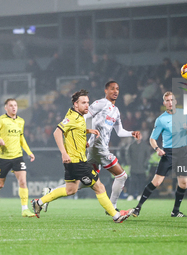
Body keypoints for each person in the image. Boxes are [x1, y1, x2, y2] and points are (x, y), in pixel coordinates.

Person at [31, 89, 130, 223]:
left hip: (73, 161)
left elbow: (75, 131)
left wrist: (87, 132)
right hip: (76, 161)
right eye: (83, 103)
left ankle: (39, 202)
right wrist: (64, 153)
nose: (87, 105)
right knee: (99, 187)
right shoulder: (72, 117)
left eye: (88, 102)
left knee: (70, 190)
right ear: (75, 104)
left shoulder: (79, 117)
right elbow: (57, 132)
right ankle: (116, 215)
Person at [130, 91, 187, 217]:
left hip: (182, 153)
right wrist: (157, 149)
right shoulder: (161, 119)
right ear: (164, 103)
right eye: (167, 101)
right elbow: (152, 139)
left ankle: (175, 211)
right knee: (157, 182)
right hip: (169, 153)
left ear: (175, 101)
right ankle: (138, 207)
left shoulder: (182, 113)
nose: (170, 103)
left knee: (184, 183)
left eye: (172, 100)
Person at [84, 81, 141, 211]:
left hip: (97, 148)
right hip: (99, 147)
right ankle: (112, 207)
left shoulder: (116, 111)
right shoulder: (101, 103)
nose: (115, 91)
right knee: (122, 176)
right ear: (106, 91)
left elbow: (120, 131)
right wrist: (86, 132)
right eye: (112, 89)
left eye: (117, 89)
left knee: (85, 180)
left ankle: (47, 196)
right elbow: (86, 115)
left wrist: (131, 133)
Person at [0, 99, 36, 217]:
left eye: (15, 105)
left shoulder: (21, 121)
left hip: (17, 156)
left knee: (23, 181)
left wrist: (29, 152)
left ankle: (24, 209)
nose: (14, 107)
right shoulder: (1, 120)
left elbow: (21, 138)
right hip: (3, 157)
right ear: (6, 108)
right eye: (11, 105)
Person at [126, 135, 151, 201]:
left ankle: (140, 194)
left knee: (141, 182)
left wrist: (145, 163)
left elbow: (148, 155)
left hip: (142, 167)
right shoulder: (131, 145)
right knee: (132, 181)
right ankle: (131, 195)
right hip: (133, 167)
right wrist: (130, 163)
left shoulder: (145, 145)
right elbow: (128, 155)